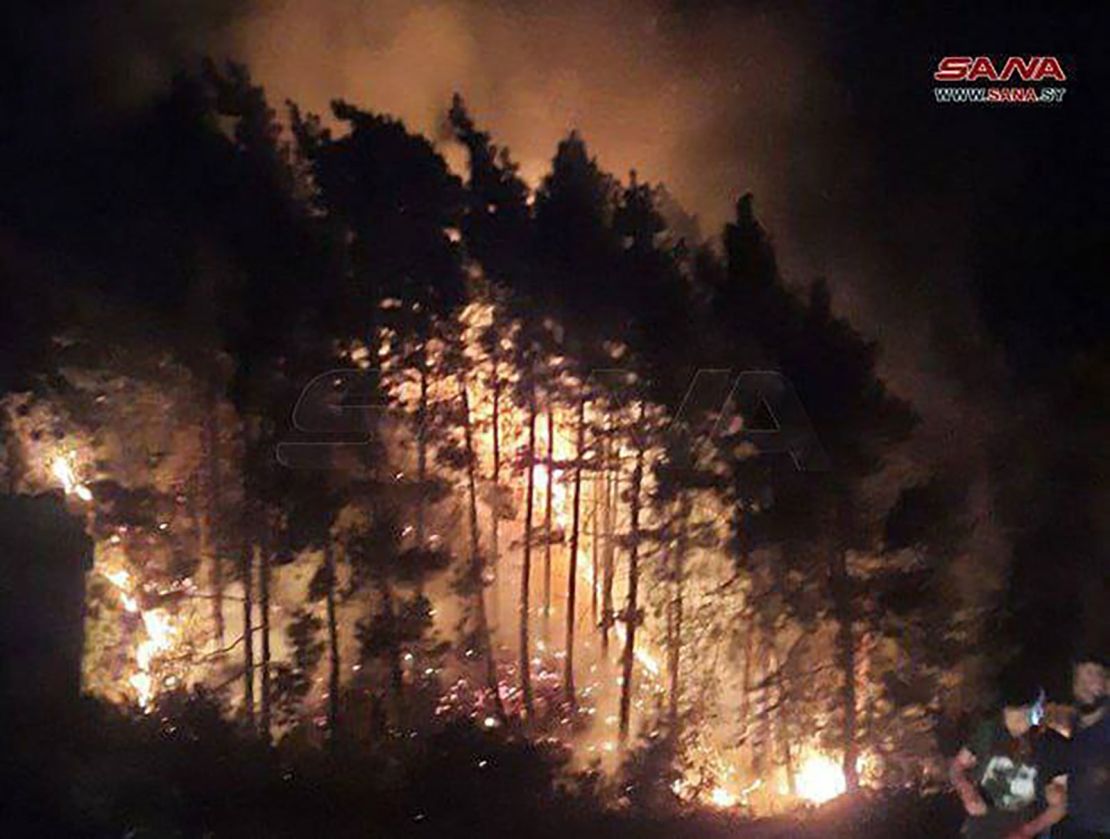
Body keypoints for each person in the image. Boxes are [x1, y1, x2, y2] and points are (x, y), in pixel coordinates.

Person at [950, 678, 1068, 839]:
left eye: (1022, 718)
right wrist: (966, 791)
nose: (1015, 726)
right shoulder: (989, 731)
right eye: (1009, 717)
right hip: (979, 830)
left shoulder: (1053, 746)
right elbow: (957, 767)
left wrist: (1024, 832)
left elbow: (1059, 806)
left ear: (1037, 712)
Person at [1057, 653, 1108, 839]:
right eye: (1080, 678)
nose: (1086, 685)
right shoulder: (1075, 723)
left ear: (1106, 684)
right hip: (1074, 826)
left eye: (1094, 675)